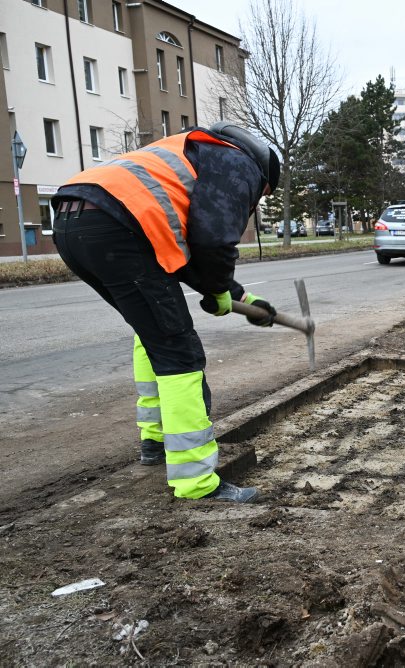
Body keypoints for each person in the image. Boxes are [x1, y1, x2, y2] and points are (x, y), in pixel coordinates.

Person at [52, 123, 281, 503]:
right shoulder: (239, 164)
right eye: (264, 194)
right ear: (265, 173)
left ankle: (155, 441)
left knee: (154, 334)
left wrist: (240, 298)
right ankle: (196, 481)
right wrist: (219, 289)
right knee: (179, 353)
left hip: (73, 221)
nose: (255, 201)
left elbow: (182, 249)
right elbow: (212, 241)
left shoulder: (191, 154)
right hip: (115, 228)